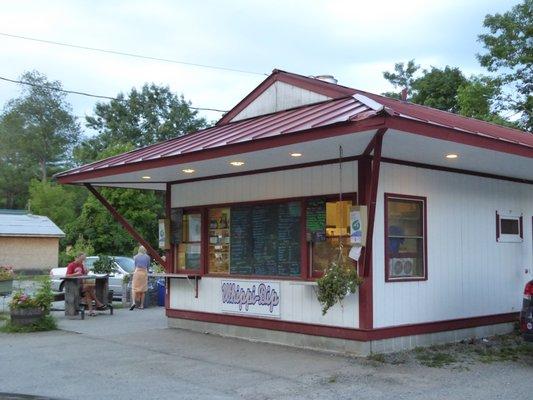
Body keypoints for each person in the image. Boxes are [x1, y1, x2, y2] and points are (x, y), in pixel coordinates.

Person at [130, 246, 151, 310]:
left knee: (134, 288)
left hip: (137, 272)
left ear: (139, 250)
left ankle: (133, 302)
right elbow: (148, 266)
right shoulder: (147, 257)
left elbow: (135, 266)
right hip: (144, 272)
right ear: (145, 250)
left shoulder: (135, 257)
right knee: (143, 290)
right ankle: (141, 305)